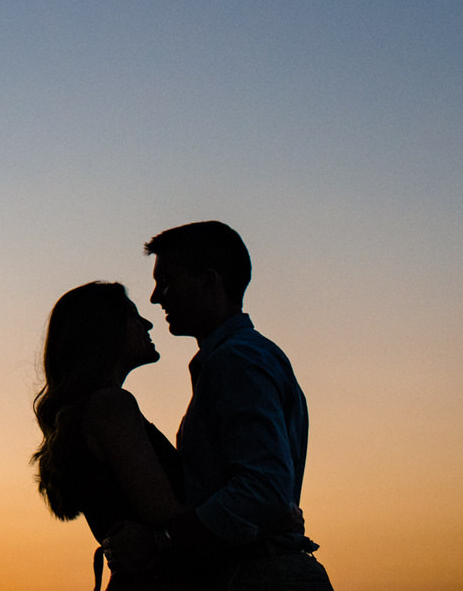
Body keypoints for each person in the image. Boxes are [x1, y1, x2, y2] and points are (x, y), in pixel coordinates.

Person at [105, 221, 335, 591]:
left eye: (166, 281)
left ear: (209, 282)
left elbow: (262, 488)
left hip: (259, 577)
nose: (155, 298)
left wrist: (159, 542)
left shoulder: (237, 360)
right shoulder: (242, 357)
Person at [32, 281, 203, 590]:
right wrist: (264, 528)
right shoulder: (110, 405)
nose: (148, 323)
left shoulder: (85, 412)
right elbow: (169, 516)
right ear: (104, 330)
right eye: (133, 315)